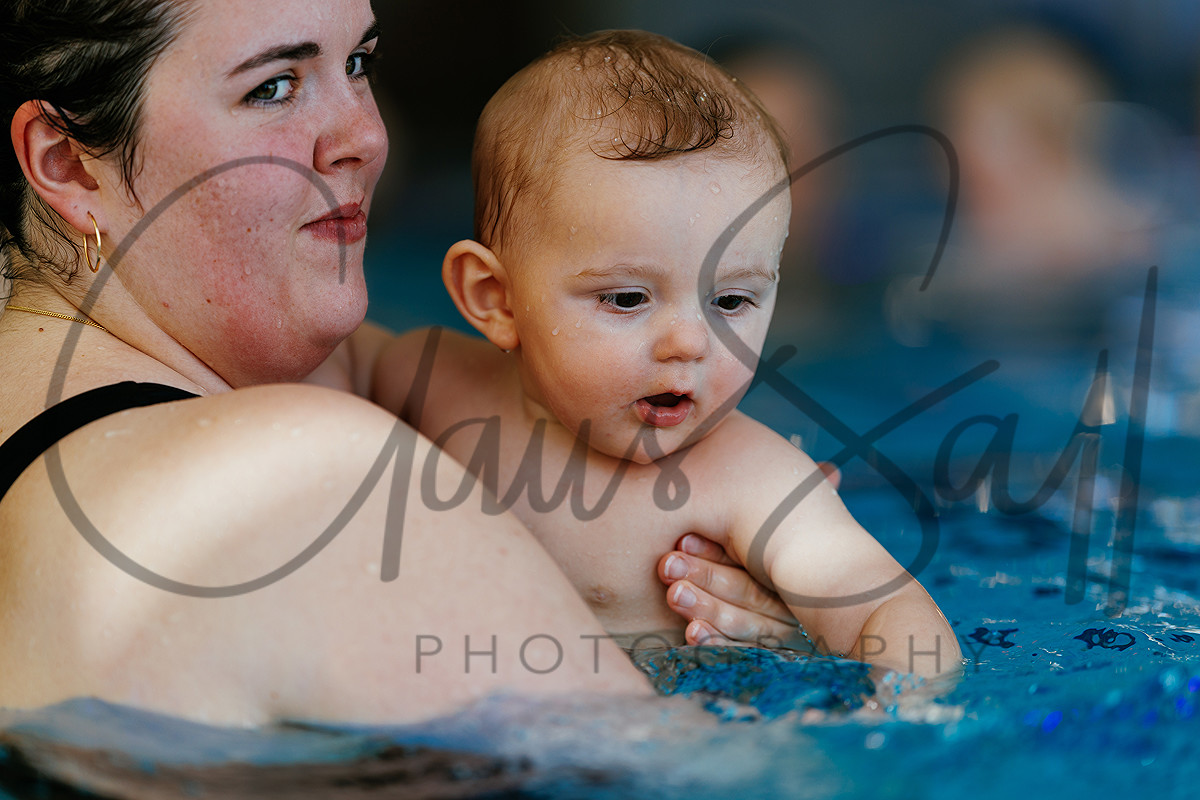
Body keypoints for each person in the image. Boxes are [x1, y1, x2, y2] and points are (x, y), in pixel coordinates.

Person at [0, 0, 777, 727]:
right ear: (67, 164)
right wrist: (758, 638)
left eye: (359, 64)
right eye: (273, 87)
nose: (368, 137)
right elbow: (683, 778)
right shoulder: (301, 482)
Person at [379, 31, 961, 679]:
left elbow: (884, 605)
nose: (690, 342)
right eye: (628, 298)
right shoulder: (430, 381)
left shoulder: (749, 478)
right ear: (496, 299)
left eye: (731, 301)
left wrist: (909, 701)